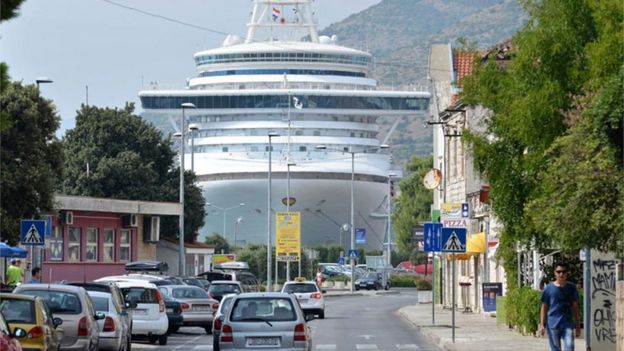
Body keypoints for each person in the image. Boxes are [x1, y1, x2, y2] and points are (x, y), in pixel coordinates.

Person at [540, 262, 581, 351]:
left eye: (563, 272)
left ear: (566, 273)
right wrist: (542, 324)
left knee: (569, 348)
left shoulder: (571, 287)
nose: (561, 274)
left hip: (567, 324)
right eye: (558, 272)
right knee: (555, 349)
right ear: (555, 273)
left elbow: (575, 307)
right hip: (553, 325)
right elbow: (544, 307)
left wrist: (578, 325)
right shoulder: (549, 289)